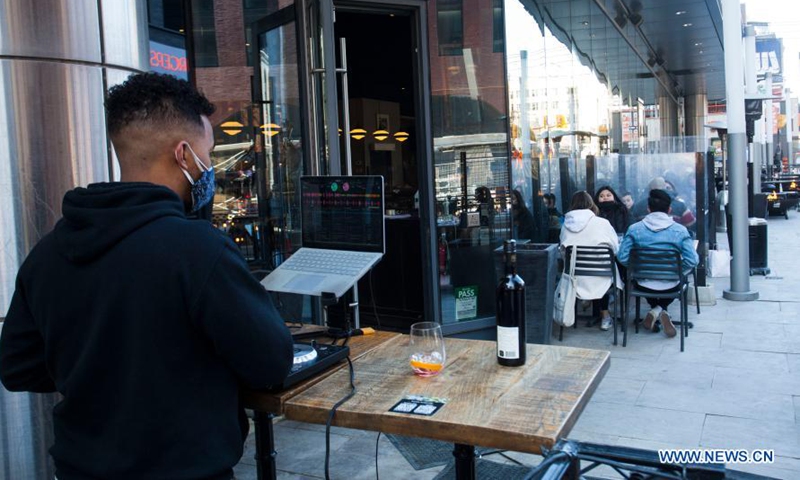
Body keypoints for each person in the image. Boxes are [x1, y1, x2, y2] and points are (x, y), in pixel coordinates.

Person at [0, 73, 294, 479]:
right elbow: (271, 362)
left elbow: (18, 367)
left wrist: (99, 368)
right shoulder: (198, 250)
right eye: (208, 154)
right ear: (184, 155)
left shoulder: (48, 252)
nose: (210, 167)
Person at [617, 189, 699, 338]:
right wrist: (678, 271)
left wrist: (637, 269)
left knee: (647, 283)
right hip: (671, 283)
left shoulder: (634, 229)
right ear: (669, 209)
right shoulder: (680, 231)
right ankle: (660, 309)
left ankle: (655, 310)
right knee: (678, 283)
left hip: (643, 282)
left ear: (648, 209)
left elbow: (622, 257)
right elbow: (692, 260)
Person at [559, 191, 620, 331]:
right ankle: (605, 316)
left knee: (589, 277)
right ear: (591, 204)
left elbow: (563, 252)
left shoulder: (565, 225)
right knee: (602, 275)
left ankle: (586, 299)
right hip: (602, 276)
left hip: (576, 277)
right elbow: (615, 249)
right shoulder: (603, 223)